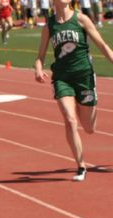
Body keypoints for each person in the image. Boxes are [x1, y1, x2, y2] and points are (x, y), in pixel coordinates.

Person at [35, 0, 113, 181]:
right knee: (70, 119)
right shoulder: (49, 26)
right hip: (62, 78)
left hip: (84, 77)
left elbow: (103, 46)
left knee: (89, 128)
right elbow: (40, 57)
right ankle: (81, 166)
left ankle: (91, 100)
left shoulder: (81, 19)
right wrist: (38, 69)